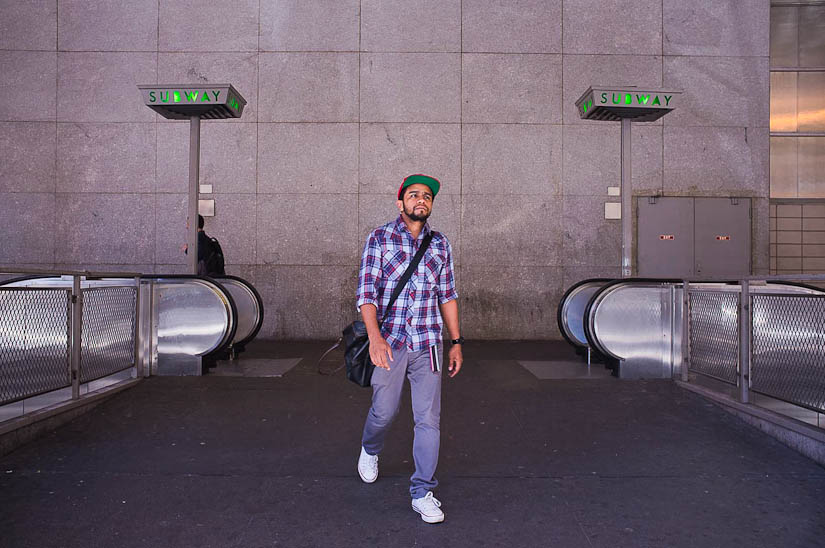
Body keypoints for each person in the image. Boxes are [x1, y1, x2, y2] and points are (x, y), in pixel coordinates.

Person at [355, 173, 464, 524]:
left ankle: (422, 491)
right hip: (389, 343)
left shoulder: (440, 244)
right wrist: (374, 338)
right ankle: (370, 449)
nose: (421, 200)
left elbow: (447, 294)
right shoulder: (380, 238)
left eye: (427, 196)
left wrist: (457, 341)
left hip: (429, 343)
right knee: (384, 412)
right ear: (400, 202)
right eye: (414, 195)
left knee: (428, 420)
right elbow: (366, 295)